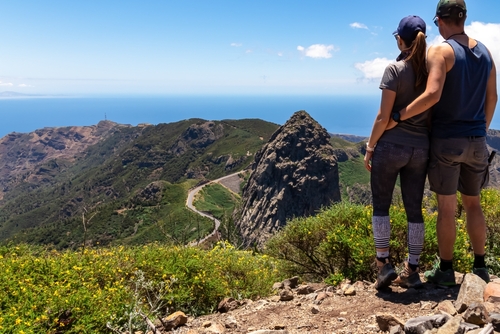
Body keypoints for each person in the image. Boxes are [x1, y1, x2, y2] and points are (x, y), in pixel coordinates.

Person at [389, 0, 497, 285]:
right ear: (463, 18)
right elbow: (492, 98)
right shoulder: (486, 52)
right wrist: (480, 130)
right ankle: (480, 267)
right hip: (477, 140)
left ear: (440, 20)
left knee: (447, 208)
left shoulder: (441, 50)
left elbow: (433, 94)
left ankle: (446, 270)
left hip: (447, 140)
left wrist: (398, 115)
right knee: (474, 205)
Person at [364, 15, 429, 289]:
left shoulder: (394, 69)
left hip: (391, 146)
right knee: (415, 209)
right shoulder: (433, 72)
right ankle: (412, 270)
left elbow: (383, 116)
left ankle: (383, 266)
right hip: (421, 149)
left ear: (400, 40)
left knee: (381, 206)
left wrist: (370, 148)